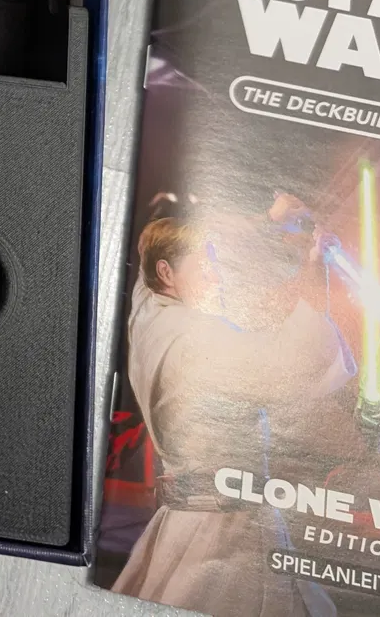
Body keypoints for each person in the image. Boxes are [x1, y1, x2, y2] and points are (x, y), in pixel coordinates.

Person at [112, 202, 353, 617]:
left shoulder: (148, 315)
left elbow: (156, 249)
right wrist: (316, 275)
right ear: (167, 272)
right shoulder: (196, 339)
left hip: (184, 520)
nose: (218, 276)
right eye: (205, 267)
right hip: (227, 534)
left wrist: (268, 219)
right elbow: (290, 364)